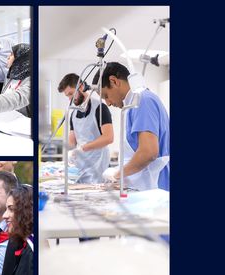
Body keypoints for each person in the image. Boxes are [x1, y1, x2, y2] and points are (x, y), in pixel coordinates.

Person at [96, 62, 170, 191]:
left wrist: (117, 174)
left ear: (114, 81)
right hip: (145, 187)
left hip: (154, 188)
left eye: (106, 96)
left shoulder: (142, 100)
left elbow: (148, 153)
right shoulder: (133, 105)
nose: (107, 103)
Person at [57, 73, 114, 183]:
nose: (70, 99)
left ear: (81, 86)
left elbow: (109, 138)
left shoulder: (100, 108)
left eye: (71, 93)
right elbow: (72, 141)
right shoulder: (73, 114)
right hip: (81, 167)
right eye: (67, 96)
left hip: (98, 165)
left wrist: (83, 148)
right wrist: (70, 152)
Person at [0, 184, 34, 275]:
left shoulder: (31, 253)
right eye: (6, 209)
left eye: (11, 209)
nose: (5, 215)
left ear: (25, 211)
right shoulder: (22, 245)